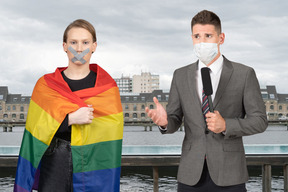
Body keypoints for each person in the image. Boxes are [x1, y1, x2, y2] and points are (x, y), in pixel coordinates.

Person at [146, 10, 267, 192]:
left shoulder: (244, 74)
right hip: (190, 173)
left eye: (208, 36)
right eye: (197, 36)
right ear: (192, 38)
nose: (202, 42)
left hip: (229, 174)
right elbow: (174, 120)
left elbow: (260, 121)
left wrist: (226, 125)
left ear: (221, 38)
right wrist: (164, 122)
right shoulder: (180, 75)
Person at [14, 19, 123, 192]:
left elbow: (112, 134)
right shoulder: (46, 85)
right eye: (73, 42)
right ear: (64, 46)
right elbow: (36, 130)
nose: (79, 48)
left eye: (85, 42)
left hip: (94, 161)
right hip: (55, 161)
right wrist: (69, 119)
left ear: (94, 46)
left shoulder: (107, 88)